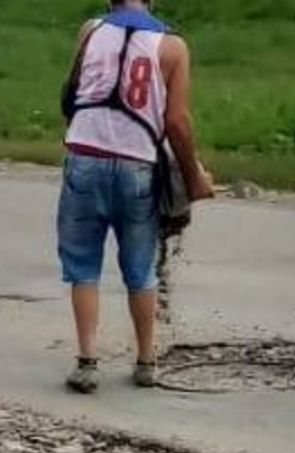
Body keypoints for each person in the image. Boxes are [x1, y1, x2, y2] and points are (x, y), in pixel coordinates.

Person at [58, 0, 214, 394]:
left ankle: (87, 362)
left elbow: (70, 96)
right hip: (137, 164)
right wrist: (194, 177)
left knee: (83, 264)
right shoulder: (173, 46)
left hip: (84, 157)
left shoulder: (91, 30)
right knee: (140, 268)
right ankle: (146, 361)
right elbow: (176, 122)